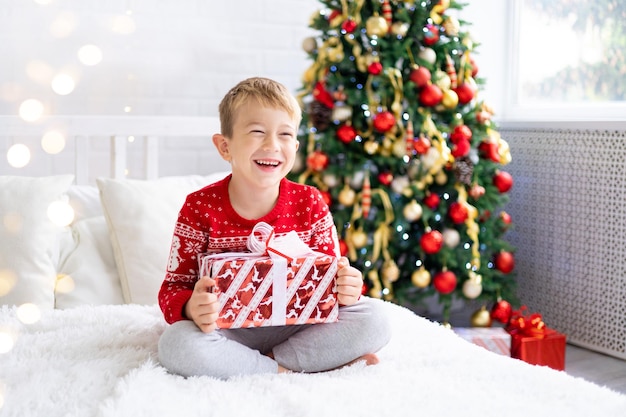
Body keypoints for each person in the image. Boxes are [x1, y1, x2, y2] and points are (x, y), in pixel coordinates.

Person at [157, 77, 391, 379]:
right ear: (224, 146)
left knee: (376, 319)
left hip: (299, 327)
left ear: (295, 146)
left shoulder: (310, 202)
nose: (272, 145)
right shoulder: (199, 207)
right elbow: (172, 289)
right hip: (230, 333)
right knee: (176, 344)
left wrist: (347, 289)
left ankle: (256, 365)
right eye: (257, 132)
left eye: (284, 134)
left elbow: (331, 283)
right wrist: (191, 307)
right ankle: (289, 370)